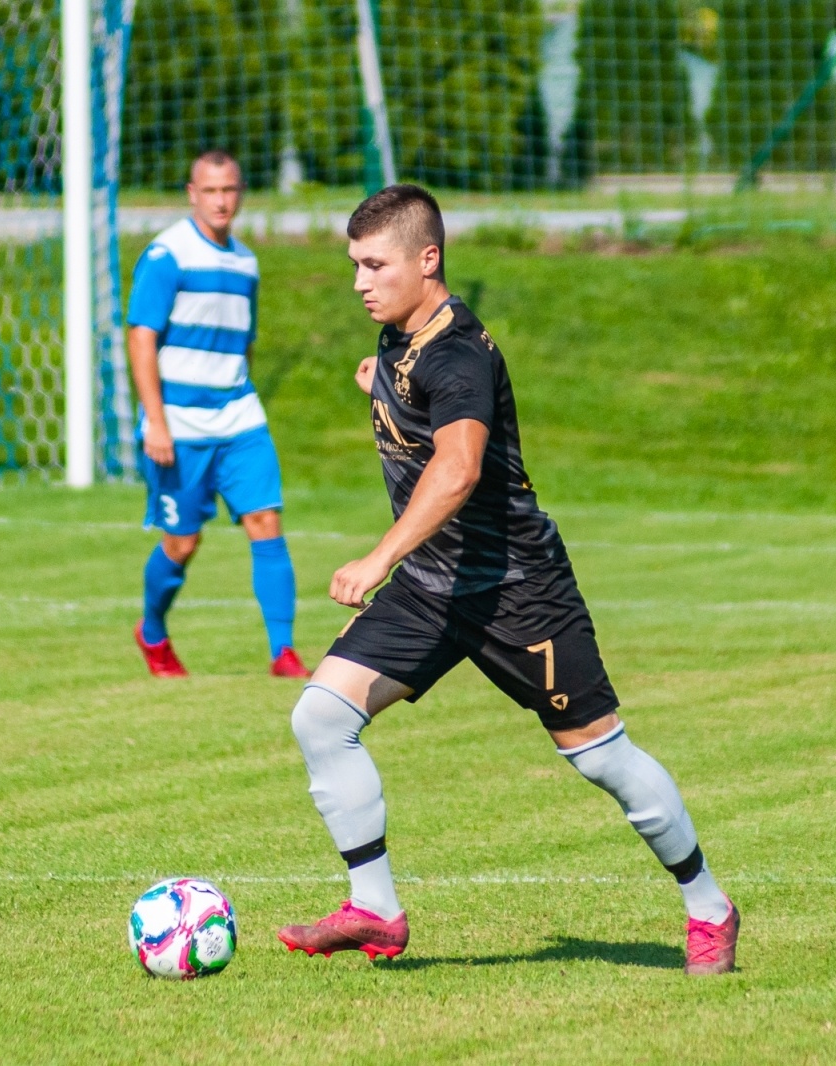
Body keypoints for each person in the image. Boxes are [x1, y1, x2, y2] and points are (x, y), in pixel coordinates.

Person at [275, 185, 739, 975]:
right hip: (433, 589)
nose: (359, 280)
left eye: (374, 264)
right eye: (354, 264)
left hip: (517, 590)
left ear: (429, 260)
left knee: (601, 759)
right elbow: (421, 417)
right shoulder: (400, 339)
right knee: (321, 719)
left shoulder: (457, 354)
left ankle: (709, 908)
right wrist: (381, 388)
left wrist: (376, 557)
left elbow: (457, 470)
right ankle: (376, 909)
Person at [125, 150, 308, 679]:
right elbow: (141, 339)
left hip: (239, 419)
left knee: (265, 521)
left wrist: (241, 392)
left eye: (229, 190)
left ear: (241, 192)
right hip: (178, 423)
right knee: (183, 542)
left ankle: (284, 653)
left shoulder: (246, 262)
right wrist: (155, 420)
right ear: (191, 193)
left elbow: (244, 343)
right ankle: (153, 632)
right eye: (210, 191)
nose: (221, 200)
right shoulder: (168, 256)